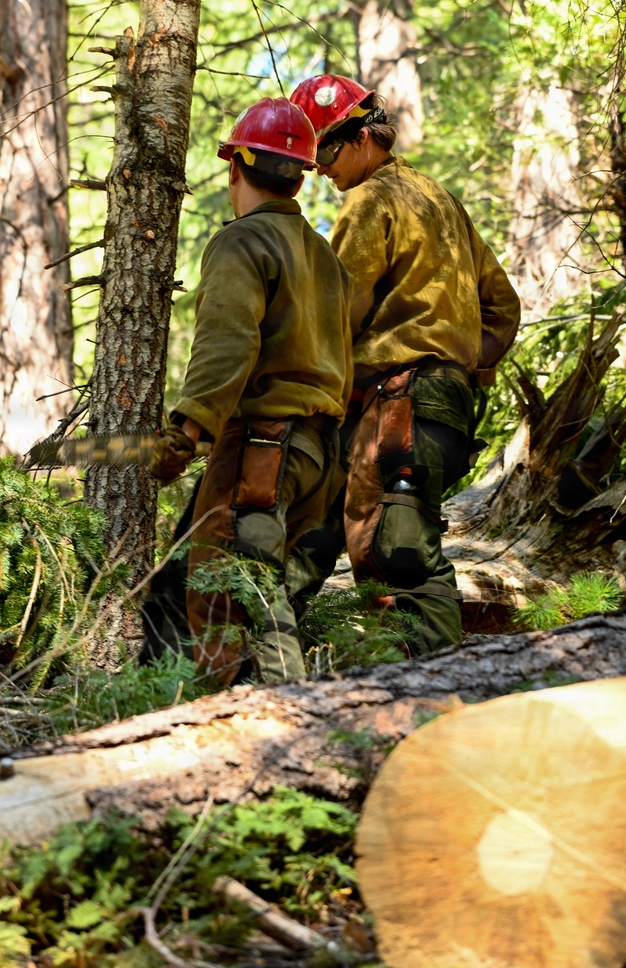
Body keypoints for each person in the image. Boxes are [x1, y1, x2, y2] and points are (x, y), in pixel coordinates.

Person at [286, 75, 522, 654]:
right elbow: (504, 307)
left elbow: (336, 314)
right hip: (433, 408)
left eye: (325, 150)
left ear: (364, 138)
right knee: (321, 533)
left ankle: (431, 689)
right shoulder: (437, 198)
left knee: (399, 555)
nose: (318, 168)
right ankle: (272, 655)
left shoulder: (371, 201)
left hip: (399, 408)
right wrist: (461, 367)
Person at [146, 97, 353, 687]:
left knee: (239, 597)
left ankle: (279, 728)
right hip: (315, 456)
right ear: (298, 177)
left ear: (235, 166)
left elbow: (228, 343)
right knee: (181, 587)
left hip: (263, 451)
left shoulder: (241, 242)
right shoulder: (325, 259)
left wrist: (188, 429)